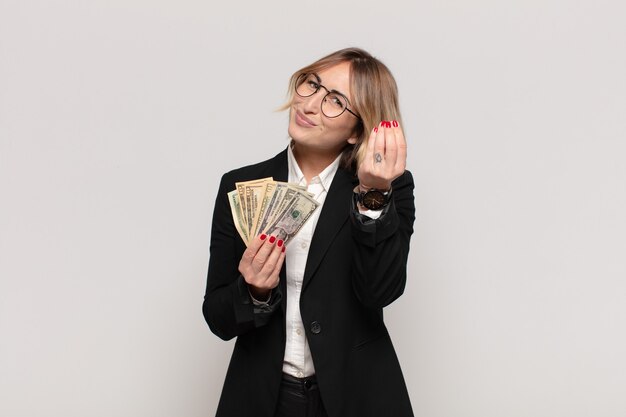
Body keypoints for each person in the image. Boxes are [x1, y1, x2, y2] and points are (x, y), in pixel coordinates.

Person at [203, 47, 415, 417]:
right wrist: (253, 291)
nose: (310, 104)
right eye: (311, 85)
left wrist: (372, 195)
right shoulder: (239, 185)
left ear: (356, 131)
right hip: (265, 398)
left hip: (355, 395)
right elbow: (217, 318)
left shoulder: (389, 188)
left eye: (335, 101)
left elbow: (381, 291)